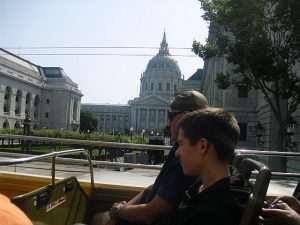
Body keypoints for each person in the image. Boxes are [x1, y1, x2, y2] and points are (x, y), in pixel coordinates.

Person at [91, 91, 208, 225]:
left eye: (171, 116)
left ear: (186, 117)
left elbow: (150, 214)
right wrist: (122, 209)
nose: (167, 121)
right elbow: (154, 187)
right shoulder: (179, 147)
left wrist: (119, 212)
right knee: (99, 217)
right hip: (143, 211)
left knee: (96, 218)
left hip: (149, 218)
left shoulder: (185, 158)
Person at [161, 108, 251, 225]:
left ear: (202, 146)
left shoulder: (211, 214)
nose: (177, 153)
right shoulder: (206, 183)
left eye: (181, 144)